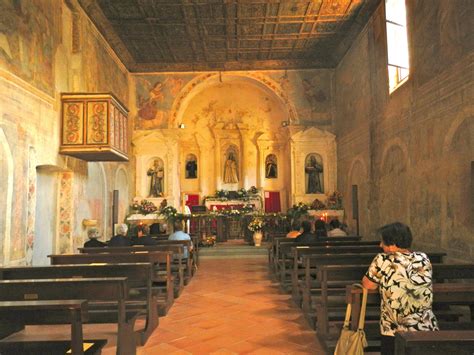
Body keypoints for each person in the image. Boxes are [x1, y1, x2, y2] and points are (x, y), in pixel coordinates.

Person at [362, 222, 438, 355]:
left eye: (383, 242)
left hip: (394, 328)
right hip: (425, 326)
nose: (380, 245)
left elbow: (368, 285)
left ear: (393, 244)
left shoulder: (383, 259)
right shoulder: (423, 258)